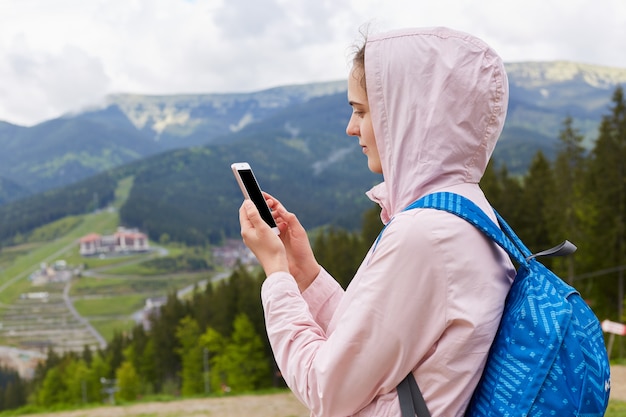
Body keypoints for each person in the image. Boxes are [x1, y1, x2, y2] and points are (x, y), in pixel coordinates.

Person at [238, 26, 516, 417]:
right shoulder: (465, 213)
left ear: (407, 114)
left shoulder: (425, 234)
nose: (351, 128)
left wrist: (276, 275)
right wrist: (305, 274)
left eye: (362, 110)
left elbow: (325, 390)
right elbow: (374, 347)